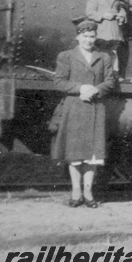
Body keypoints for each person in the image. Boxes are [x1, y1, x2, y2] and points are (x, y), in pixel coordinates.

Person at [52, 18, 117, 208]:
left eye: (92, 36)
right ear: (78, 37)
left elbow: (110, 82)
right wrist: (81, 87)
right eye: (85, 36)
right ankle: (76, 192)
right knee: (75, 155)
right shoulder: (66, 56)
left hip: (96, 108)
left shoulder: (104, 57)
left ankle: (88, 192)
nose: (89, 40)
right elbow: (59, 82)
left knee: (92, 156)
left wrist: (96, 90)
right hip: (75, 108)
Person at [86, 0, 127, 76]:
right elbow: (90, 12)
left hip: (114, 30)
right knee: (100, 51)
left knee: (113, 52)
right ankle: (99, 73)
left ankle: (113, 73)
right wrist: (103, 15)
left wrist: (122, 16)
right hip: (102, 31)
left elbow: (121, 9)